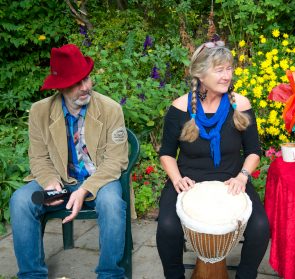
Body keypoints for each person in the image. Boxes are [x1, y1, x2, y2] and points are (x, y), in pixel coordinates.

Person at [10, 44, 129, 279]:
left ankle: (110, 274)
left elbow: (116, 160)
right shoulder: (39, 112)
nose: (85, 87)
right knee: (21, 200)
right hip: (60, 181)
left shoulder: (111, 109)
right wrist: (49, 182)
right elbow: (38, 157)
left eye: (86, 79)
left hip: (98, 181)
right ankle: (32, 275)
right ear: (61, 87)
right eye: (76, 83)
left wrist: (85, 189)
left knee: (112, 204)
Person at [157, 40, 270, 279]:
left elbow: (253, 150)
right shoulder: (179, 108)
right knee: (167, 227)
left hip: (232, 180)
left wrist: (243, 176)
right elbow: (166, 153)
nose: (227, 75)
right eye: (219, 70)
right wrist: (176, 179)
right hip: (189, 180)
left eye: (229, 68)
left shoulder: (239, 104)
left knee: (261, 227)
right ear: (200, 73)